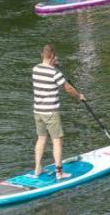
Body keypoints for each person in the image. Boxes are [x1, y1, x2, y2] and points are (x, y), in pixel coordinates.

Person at [31, 44, 85, 179]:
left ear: (42, 55)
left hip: (38, 111)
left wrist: (52, 64)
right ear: (53, 56)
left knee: (41, 138)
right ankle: (59, 172)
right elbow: (67, 88)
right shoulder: (55, 73)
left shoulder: (35, 69)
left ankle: (37, 168)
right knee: (57, 141)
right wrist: (79, 96)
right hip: (51, 112)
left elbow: (47, 71)